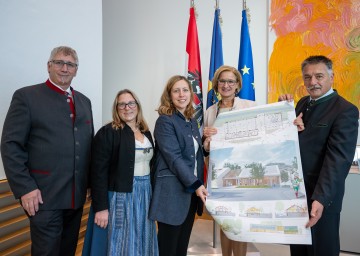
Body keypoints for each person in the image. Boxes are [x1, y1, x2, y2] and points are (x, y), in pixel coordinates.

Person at [1, 46, 94, 255]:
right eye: (59, 62)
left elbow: (87, 145)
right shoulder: (26, 97)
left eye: (70, 64)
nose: (64, 68)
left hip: (75, 196)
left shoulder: (84, 101)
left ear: (76, 70)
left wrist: (89, 183)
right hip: (43, 196)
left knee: (67, 250)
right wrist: (25, 188)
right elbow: (10, 145)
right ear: (49, 66)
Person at [278, 55, 359, 256]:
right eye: (307, 77)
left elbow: (338, 161)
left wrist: (320, 199)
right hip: (297, 194)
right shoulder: (303, 103)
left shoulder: (345, 110)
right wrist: (282, 112)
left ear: (332, 77)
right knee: (299, 249)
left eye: (319, 76)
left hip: (322, 198)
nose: (312, 82)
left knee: (322, 249)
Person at [82, 89, 158, 256]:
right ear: (116, 108)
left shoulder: (145, 131)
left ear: (137, 106)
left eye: (131, 103)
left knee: (141, 237)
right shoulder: (108, 132)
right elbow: (98, 172)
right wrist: (101, 208)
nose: (127, 107)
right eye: (121, 104)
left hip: (145, 194)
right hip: (120, 196)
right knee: (121, 242)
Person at [149, 75, 209, 256]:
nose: (181, 94)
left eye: (185, 90)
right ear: (169, 95)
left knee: (181, 247)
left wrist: (205, 146)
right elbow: (174, 158)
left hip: (190, 193)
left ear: (190, 94)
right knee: (168, 248)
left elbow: (194, 153)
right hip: (172, 193)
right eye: (176, 91)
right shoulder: (165, 121)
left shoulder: (190, 120)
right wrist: (197, 184)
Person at [203, 65, 256, 256]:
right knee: (224, 221)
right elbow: (207, 149)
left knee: (240, 223)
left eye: (230, 81)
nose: (226, 85)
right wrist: (207, 142)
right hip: (219, 176)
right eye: (222, 81)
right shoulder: (210, 111)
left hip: (242, 174)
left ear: (237, 86)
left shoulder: (250, 107)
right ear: (216, 85)